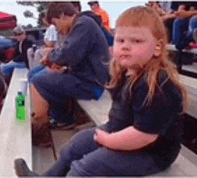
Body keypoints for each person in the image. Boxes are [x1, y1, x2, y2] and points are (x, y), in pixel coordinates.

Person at [14, 6, 187, 176]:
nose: (126, 46)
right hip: (122, 132)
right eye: (120, 41)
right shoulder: (126, 73)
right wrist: (109, 133)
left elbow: (144, 136)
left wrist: (109, 141)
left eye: (136, 41)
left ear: (157, 47)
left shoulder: (156, 84)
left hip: (151, 153)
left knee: (87, 166)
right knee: (74, 146)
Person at [28, 2, 110, 147]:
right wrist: (60, 66)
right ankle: (60, 119)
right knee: (44, 78)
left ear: (62, 16)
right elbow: (71, 57)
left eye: (55, 24)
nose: (57, 29)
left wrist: (50, 57)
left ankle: (41, 133)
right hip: (87, 79)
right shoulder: (82, 24)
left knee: (38, 81)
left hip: (92, 85)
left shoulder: (83, 25)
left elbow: (67, 54)